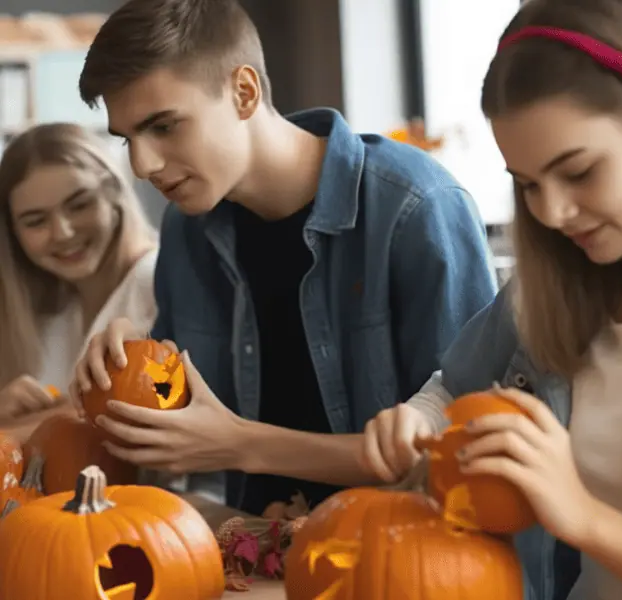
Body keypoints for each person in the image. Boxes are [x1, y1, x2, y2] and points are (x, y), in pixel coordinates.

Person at [362, 0, 622, 598]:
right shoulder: (552, 290)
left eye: (580, 171)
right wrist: (416, 420)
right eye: (528, 185)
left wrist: (584, 518)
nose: (552, 213)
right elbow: (453, 388)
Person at [69, 0, 498, 516]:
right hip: (252, 553)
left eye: (163, 127)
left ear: (244, 92)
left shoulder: (416, 208)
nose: (142, 165)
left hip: (400, 559)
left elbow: (461, 444)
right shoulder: (188, 229)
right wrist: (120, 369)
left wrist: (243, 444)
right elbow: (186, 422)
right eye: (128, 138)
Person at [0, 123, 158, 440]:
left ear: (114, 191)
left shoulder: (157, 280)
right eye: (36, 221)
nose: (63, 232)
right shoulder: (48, 314)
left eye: (80, 205)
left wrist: (11, 430)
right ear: (13, 234)